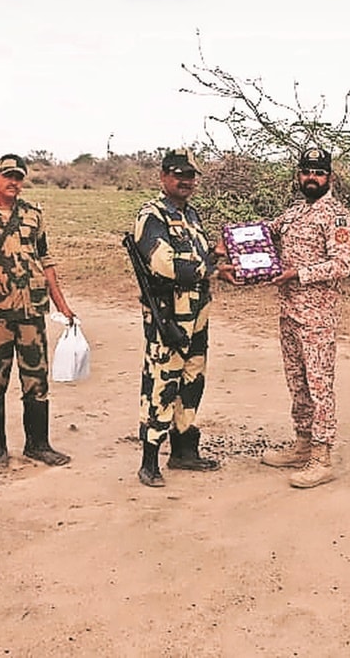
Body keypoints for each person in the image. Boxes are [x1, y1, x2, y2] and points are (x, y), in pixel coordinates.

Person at [220, 147, 350, 488]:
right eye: (307, 172)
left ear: (329, 178)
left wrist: (298, 273)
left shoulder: (336, 216)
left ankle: (322, 457)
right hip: (289, 312)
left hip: (317, 315)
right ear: (299, 175)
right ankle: (302, 444)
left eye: (319, 173)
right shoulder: (295, 212)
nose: (312, 178)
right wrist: (231, 243)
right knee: (297, 382)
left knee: (319, 384)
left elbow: (342, 265)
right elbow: (266, 232)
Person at [0, 154, 76, 467]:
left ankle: (38, 445)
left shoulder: (33, 215)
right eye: (8, 176)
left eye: (19, 177)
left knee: (36, 381)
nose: (14, 182)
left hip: (31, 312)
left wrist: (62, 305)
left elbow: (46, 260)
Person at [132, 149, 221, 487]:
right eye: (178, 174)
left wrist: (222, 255)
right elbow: (166, 266)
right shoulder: (152, 216)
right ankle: (149, 461)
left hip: (197, 314)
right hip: (167, 316)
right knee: (162, 382)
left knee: (192, 379)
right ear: (163, 177)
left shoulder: (191, 215)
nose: (186, 181)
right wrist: (211, 267)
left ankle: (184, 450)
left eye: (190, 175)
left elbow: (199, 258)